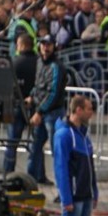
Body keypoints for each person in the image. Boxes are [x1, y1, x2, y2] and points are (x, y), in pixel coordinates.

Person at [53, 95, 101, 216]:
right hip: (74, 196)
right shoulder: (64, 135)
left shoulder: (83, 134)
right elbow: (61, 169)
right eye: (89, 109)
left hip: (86, 194)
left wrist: (94, 191)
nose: (92, 113)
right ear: (78, 110)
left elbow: (90, 166)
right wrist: (66, 198)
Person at [26, 36, 67, 185]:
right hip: (41, 110)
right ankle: (30, 181)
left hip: (53, 113)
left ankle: (62, 187)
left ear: (54, 47)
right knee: (34, 147)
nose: (45, 47)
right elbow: (38, 84)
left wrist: (39, 111)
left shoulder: (56, 66)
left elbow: (53, 92)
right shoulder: (39, 62)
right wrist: (31, 96)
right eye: (43, 44)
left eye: (48, 45)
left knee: (58, 152)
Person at [3, 33, 39, 176]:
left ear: (22, 45)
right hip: (34, 106)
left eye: (18, 44)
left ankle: (7, 172)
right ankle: (36, 174)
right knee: (35, 143)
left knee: (12, 142)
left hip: (17, 105)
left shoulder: (15, 62)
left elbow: (8, 84)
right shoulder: (39, 62)